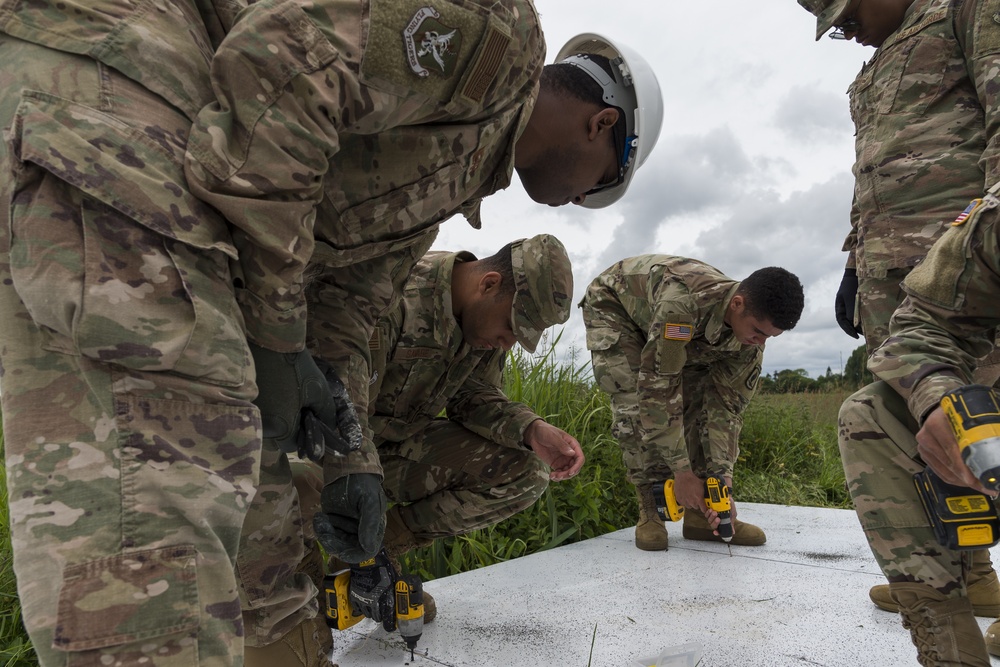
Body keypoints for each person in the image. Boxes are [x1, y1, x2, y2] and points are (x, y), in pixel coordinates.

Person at [0, 3, 662, 665]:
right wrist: (275, 323)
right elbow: (284, 55)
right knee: (162, 504)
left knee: (257, 554)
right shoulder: (498, 38)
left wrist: (351, 464)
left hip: (185, 173)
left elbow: (340, 317)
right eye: (599, 186)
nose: (581, 201)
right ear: (601, 125)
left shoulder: (433, 196)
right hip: (128, 89)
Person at [797, 0, 1000, 618]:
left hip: (966, 269)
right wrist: (855, 265)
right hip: (890, 273)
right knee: (920, 428)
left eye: (847, 13)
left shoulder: (964, 8)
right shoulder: (873, 69)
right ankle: (957, 577)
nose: (846, 30)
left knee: (984, 419)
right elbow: (870, 176)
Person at [293, 233, 584, 623]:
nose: (509, 343)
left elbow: (472, 397)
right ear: (489, 284)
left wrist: (531, 429)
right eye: (512, 327)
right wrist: (353, 474)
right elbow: (336, 397)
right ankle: (305, 590)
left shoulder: (482, 331)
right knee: (296, 490)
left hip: (393, 451)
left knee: (526, 472)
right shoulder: (393, 292)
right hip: (324, 447)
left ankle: (372, 554)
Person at [837, 181, 1000, 665]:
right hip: (898, 247)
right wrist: (940, 403)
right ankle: (948, 637)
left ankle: (976, 576)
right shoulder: (994, 218)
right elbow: (929, 324)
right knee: (875, 413)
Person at [579, 256, 804, 551]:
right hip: (617, 309)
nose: (760, 342)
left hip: (678, 325)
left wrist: (722, 482)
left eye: (770, 337)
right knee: (637, 403)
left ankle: (701, 516)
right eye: (758, 332)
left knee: (697, 400)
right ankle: (650, 510)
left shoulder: (749, 342)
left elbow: (726, 408)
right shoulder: (682, 305)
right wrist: (682, 472)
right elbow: (658, 390)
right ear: (737, 304)